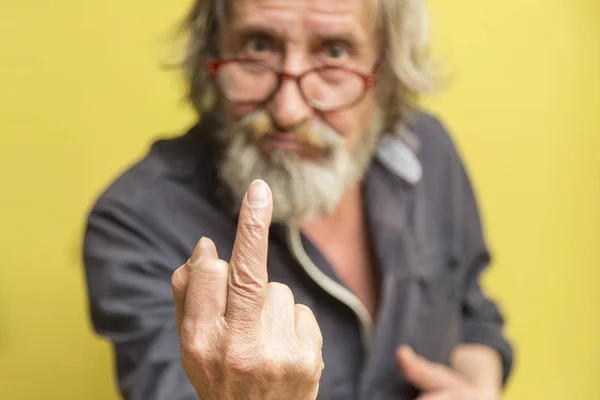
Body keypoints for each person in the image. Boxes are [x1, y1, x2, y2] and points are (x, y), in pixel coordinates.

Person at [82, 0, 514, 399]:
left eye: (335, 53)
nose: (288, 111)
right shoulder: (136, 221)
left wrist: (479, 385)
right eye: (258, 46)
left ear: (385, 72)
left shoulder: (429, 151)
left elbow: (472, 308)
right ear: (212, 55)